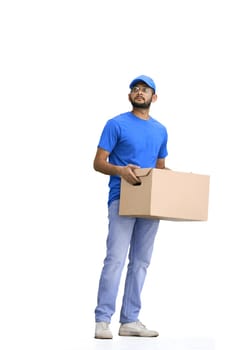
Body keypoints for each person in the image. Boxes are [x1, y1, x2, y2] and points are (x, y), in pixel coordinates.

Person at [93, 75, 168, 339]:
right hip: (122, 197)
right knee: (115, 259)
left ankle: (130, 321)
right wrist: (120, 171)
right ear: (129, 96)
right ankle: (102, 320)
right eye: (135, 89)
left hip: (150, 203)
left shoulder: (161, 130)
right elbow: (98, 162)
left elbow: (160, 169)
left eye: (145, 89)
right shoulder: (116, 124)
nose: (139, 92)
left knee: (141, 262)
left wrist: (178, 183)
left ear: (153, 98)